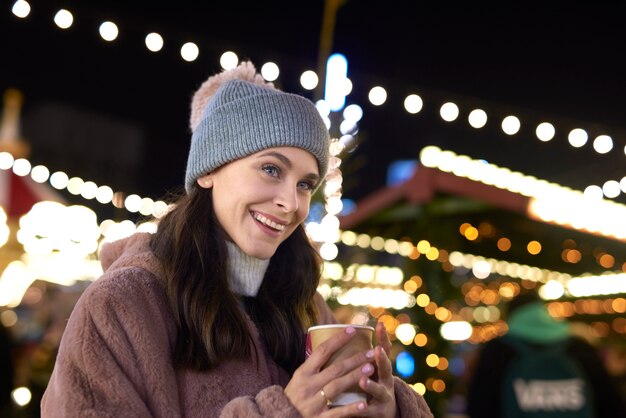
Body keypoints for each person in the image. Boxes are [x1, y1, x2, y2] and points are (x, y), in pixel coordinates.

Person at [40, 61, 433, 417]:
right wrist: (282, 412)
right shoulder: (122, 304)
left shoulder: (305, 307)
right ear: (209, 170)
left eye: (305, 184)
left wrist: (387, 409)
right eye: (270, 169)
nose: (290, 202)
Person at [466, 289, 625, 418]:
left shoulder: (498, 349)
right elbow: (611, 404)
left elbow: (478, 406)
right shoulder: (578, 347)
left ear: (511, 317)